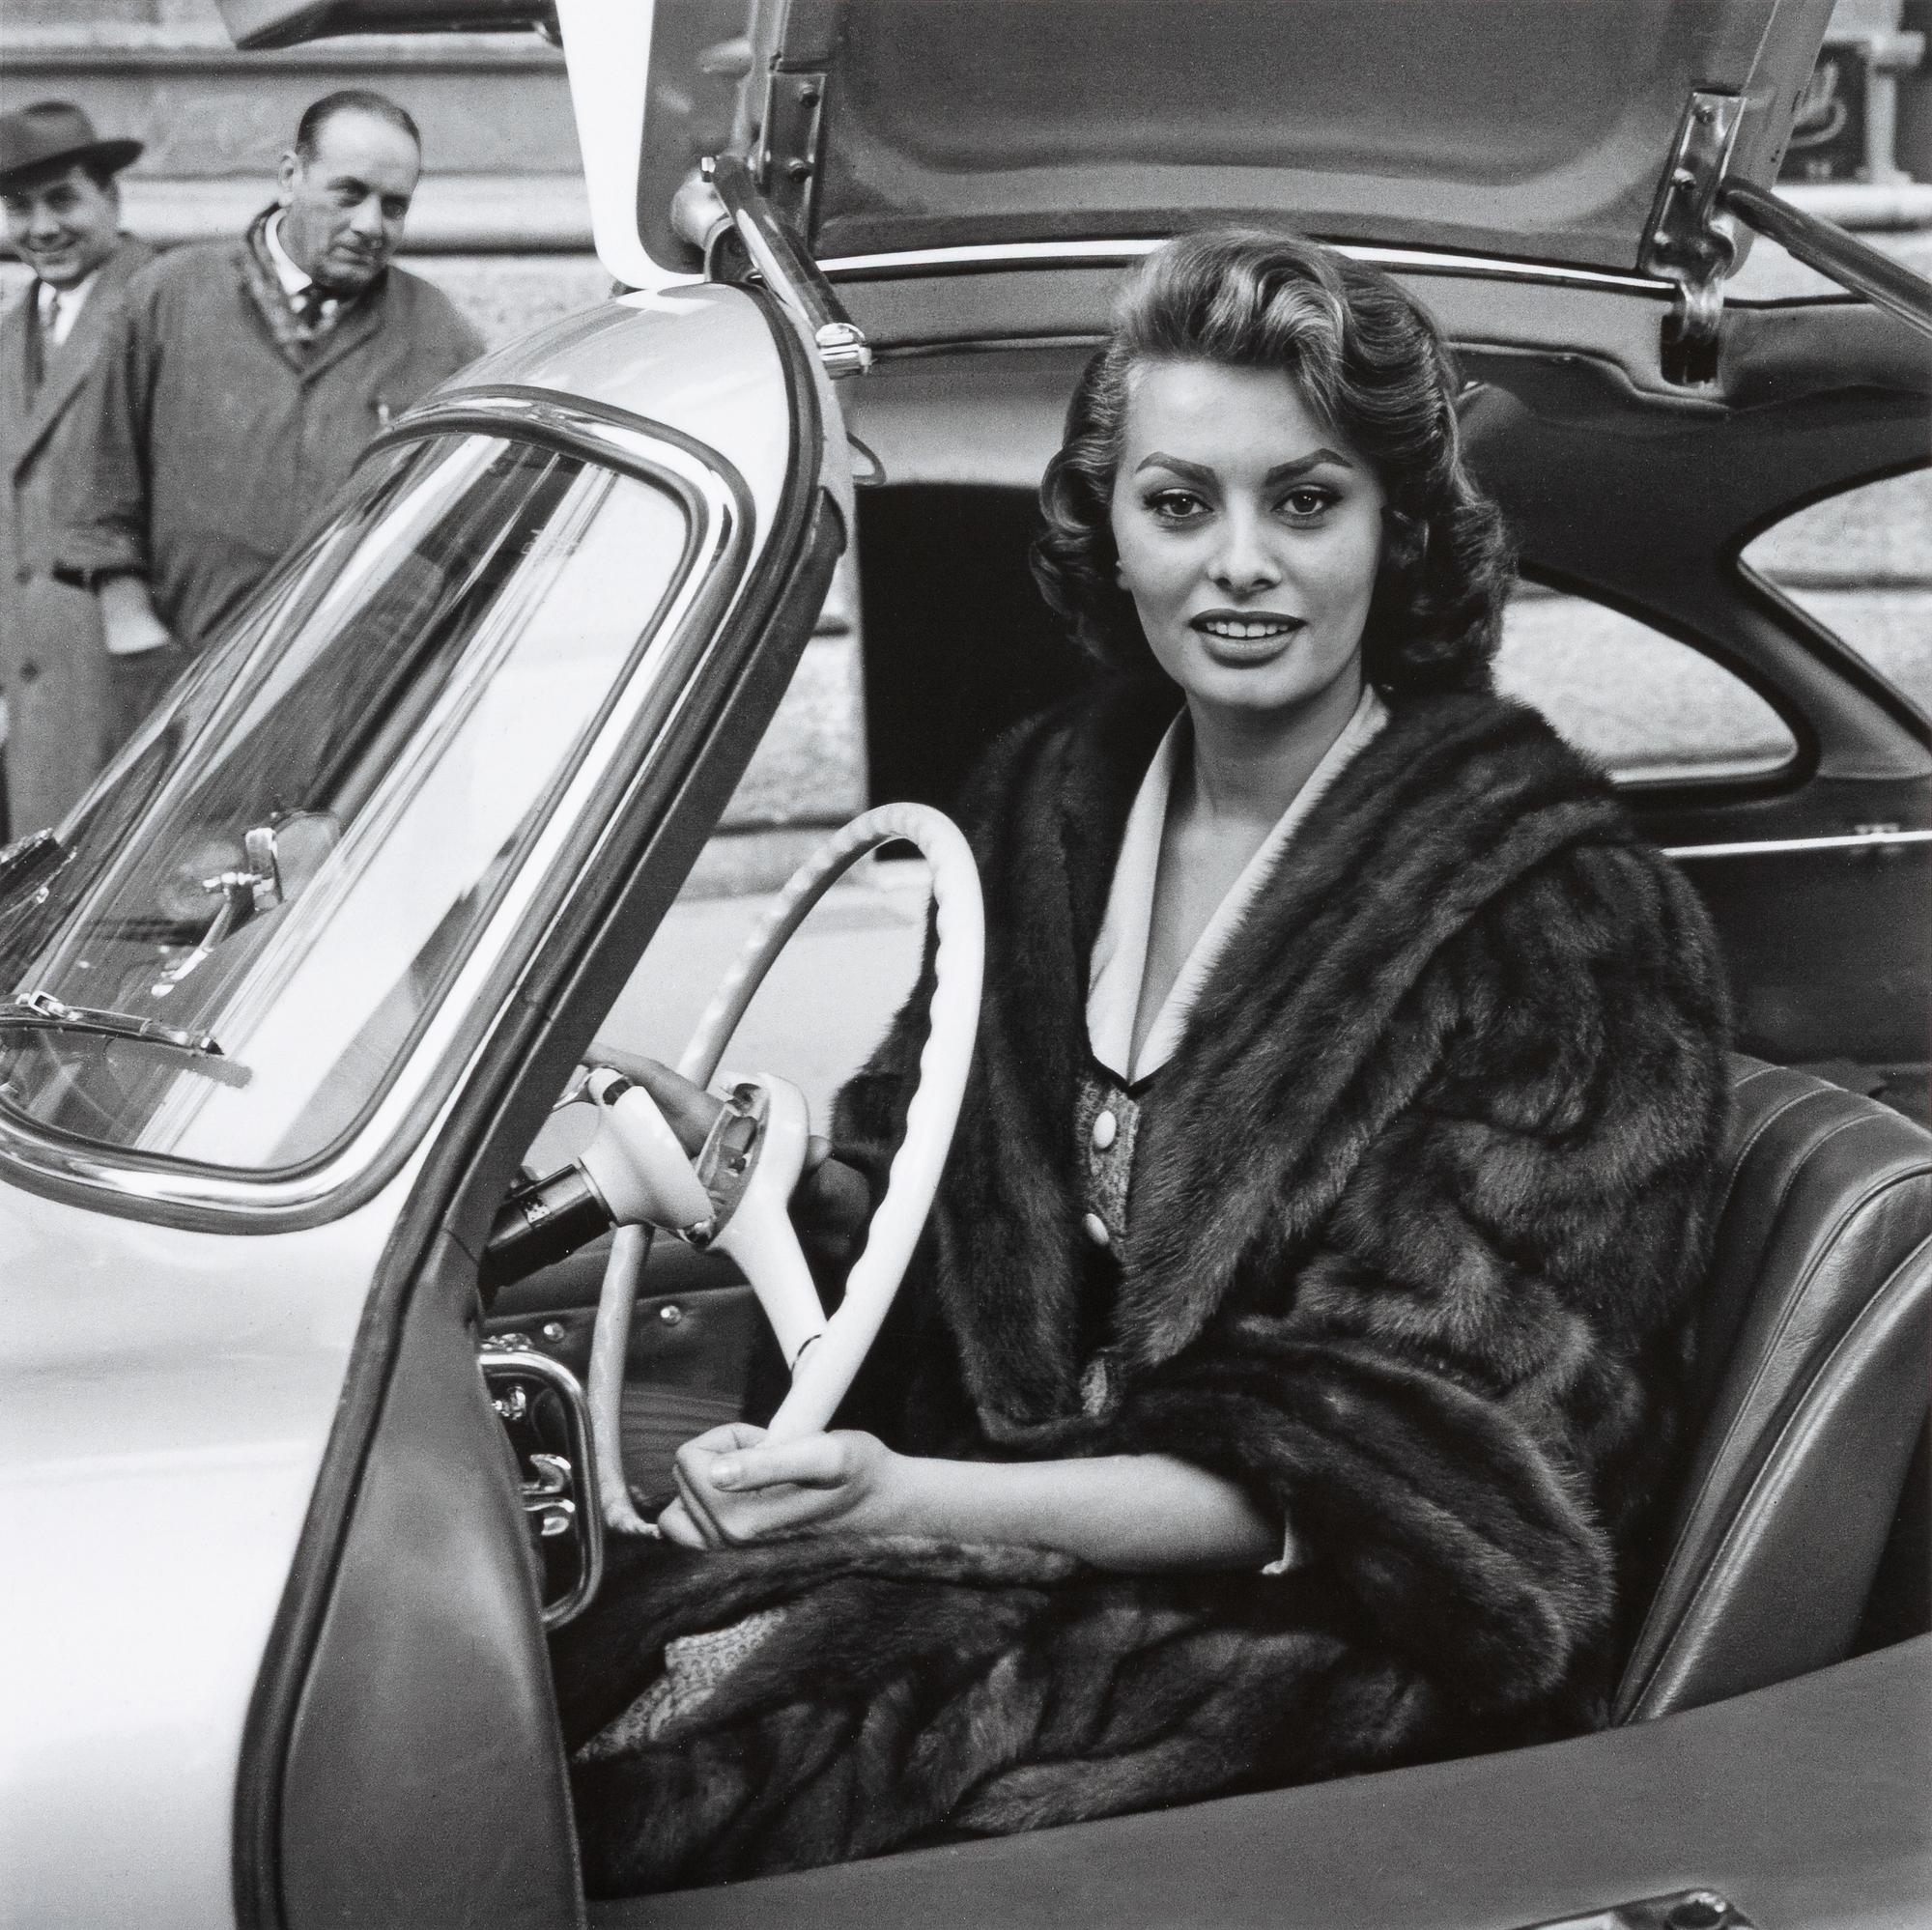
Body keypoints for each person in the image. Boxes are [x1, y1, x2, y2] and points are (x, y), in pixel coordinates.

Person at [550, 230, 1734, 1894]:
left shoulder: (1557, 917)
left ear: (1398, 528)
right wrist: (765, 1184)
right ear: (1108, 525)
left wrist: (909, 1499)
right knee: (536, 1703)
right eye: (1181, 503)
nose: (1240, 564)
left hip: (1330, 1648)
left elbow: (1416, 1478)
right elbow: (928, 1187)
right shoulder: (1045, 806)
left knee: (678, 1807)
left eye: (1305, 501)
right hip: (989, 1536)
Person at [51, 88, 483, 731]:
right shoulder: (170, 296)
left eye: (394, 206)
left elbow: (476, 525)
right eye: (349, 193)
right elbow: (100, 490)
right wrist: (138, 639)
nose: (371, 225)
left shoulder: (438, 332)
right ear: (290, 177)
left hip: (353, 705)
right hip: (183, 688)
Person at [0, 102, 153, 837]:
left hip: (125, 689)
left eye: (62, 199)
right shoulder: (10, 334)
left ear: (110, 198)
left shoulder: (165, 305)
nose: (42, 228)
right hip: (28, 709)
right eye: (18, 208)